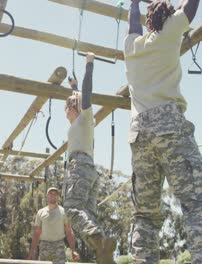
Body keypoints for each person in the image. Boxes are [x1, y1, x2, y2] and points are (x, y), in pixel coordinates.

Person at [124, 0, 202, 263]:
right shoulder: (169, 33)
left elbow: (132, 22)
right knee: (198, 201)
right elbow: (188, 8)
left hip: (139, 133)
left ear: (148, 23)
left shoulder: (132, 47)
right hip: (168, 124)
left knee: (144, 213)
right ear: (169, 20)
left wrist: (134, 2)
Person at [63, 52, 116, 264]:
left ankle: (100, 240)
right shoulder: (83, 123)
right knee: (88, 215)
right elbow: (79, 93)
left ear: (71, 107)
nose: (65, 113)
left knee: (72, 209)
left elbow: (86, 92)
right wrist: (73, 86)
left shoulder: (85, 117)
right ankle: (103, 249)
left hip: (80, 166)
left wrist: (89, 64)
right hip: (90, 169)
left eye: (66, 108)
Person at [27, 187, 79, 263]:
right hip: (44, 246)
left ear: (58, 197)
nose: (53, 195)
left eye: (55, 194)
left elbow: (68, 231)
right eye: (50, 194)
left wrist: (73, 250)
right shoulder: (40, 212)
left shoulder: (63, 212)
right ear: (47, 196)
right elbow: (36, 233)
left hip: (59, 246)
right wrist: (31, 251)